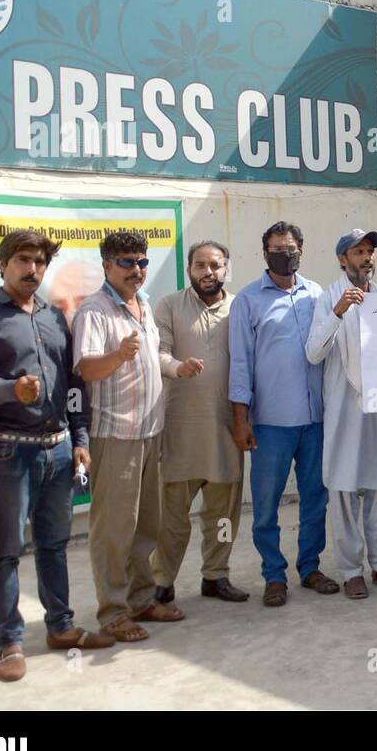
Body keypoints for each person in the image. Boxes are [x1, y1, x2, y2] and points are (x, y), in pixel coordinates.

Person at [0, 230, 112, 683]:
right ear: (2, 264)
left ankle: (61, 627)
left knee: (55, 546)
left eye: (40, 263)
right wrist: (10, 390)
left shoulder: (54, 318)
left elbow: (73, 385)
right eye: (23, 260)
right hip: (7, 450)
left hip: (59, 449)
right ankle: (10, 641)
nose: (33, 270)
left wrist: (80, 437)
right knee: (5, 550)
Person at [73, 230, 180, 641]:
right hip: (116, 434)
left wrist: (176, 367)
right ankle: (112, 612)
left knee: (146, 527)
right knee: (114, 530)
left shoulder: (145, 306)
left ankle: (141, 599)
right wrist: (117, 355)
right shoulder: (95, 312)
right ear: (106, 266)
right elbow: (86, 369)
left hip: (150, 431)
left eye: (141, 262)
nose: (136, 270)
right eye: (126, 262)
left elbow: (151, 361)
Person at [229, 222, 335, 607]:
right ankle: (274, 575)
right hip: (270, 423)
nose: (284, 254)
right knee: (266, 505)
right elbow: (240, 363)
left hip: (314, 420)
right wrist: (240, 418)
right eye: (276, 249)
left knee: (315, 500)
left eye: (290, 248)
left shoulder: (317, 294)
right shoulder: (248, 300)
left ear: (301, 251)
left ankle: (310, 568)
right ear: (264, 253)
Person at [305, 229, 377, 599]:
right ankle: (351, 570)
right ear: (341, 259)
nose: (366, 257)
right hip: (343, 411)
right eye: (357, 251)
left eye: (369, 251)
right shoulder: (327, 298)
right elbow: (313, 353)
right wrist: (338, 311)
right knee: (344, 491)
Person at [151, 241, 249, 605]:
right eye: (201, 266)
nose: (209, 272)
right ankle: (161, 580)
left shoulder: (240, 307)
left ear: (227, 268)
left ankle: (216, 576)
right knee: (171, 516)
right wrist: (179, 367)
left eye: (216, 265)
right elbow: (157, 352)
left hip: (226, 428)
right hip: (179, 429)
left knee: (221, 515)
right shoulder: (169, 305)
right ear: (189, 269)